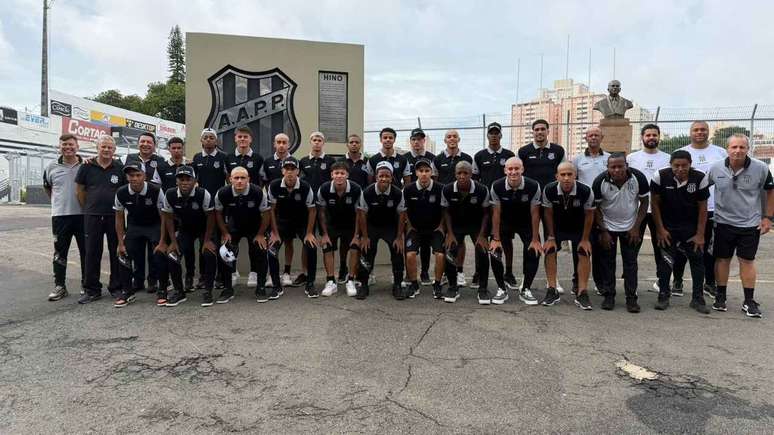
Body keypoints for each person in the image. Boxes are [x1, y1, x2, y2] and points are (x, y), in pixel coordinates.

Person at [705, 134, 774, 318]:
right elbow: (702, 189)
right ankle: (720, 296)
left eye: (742, 147)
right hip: (722, 223)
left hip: (750, 225)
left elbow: (770, 190)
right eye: (734, 147)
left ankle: (749, 301)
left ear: (748, 149)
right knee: (722, 259)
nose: (738, 151)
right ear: (727, 149)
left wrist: (768, 218)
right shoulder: (716, 168)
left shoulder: (761, 168)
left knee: (747, 261)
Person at [650, 151, 711, 314]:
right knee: (666, 261)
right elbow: (654, 204)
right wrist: (660, 229)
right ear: (671, 164)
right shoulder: (660, 176)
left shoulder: (700, 177)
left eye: (684, 165)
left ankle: (697, 298)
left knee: (697, 261)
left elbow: (703, 208)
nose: (680, 168)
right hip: (668, 227)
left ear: (690, 164)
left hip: (690, 228)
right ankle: (663, 295)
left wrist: (700, 234)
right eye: (676, 165)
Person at [675, 121, 728, 298]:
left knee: (708, 249)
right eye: (696, 130)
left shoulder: (720, 152)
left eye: (703, 129)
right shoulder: (682, 152)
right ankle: (677, 281)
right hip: (688, 209)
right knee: (682, 247)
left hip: (713, 207)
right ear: (690, 132)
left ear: (708, 132)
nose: (700, 132)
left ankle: (709, 283)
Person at [592, 153, 649, 312]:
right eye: (613, 167)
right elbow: (595, 208)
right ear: (608, 168)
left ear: (626, 165)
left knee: (630, 264)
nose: (617, 170)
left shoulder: (638, 178)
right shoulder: (599, 182)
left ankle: (631, 299)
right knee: (608, 263)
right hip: (608, 228)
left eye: (620, 166)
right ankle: (609, 296)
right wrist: (603, 231)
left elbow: (644, 202)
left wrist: (636, 227)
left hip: (630, 228)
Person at [157, 166, 219, 307]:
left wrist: (207, 240)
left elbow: (211, 217)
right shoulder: (170, 194)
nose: (184, 182)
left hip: (205, 229)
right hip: (185, 230)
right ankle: (179, 292)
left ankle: (208, 290)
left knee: (209, 254)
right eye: (181, 179)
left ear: (195, 181)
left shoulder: (203, 194)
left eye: (188, 179)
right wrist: (173, 241)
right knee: (173, 255)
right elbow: (168, 218)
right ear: (176, 181)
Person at [75, 135, 126, 304]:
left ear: (114, 150)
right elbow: (80, 191)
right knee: (92, 252)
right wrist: (88, 208)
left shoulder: (119, 168)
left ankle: (116, 287)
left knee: (116, 251)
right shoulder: (86, 167)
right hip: (92, 216)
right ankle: (92, 289)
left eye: (109, 147)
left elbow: (124, 191)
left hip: (114, 216)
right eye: (103, 147)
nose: (106, 150)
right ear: (97, 148)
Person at [214, 166, 276, 303]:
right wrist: (224, 233)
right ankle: (228, 289)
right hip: (233, 226)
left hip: (254, 227)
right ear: (230, 179)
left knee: (260, 249)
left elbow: (266, 215)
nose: (240, 181)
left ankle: (260, 288)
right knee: (225, 252)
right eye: (236, 178)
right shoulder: (222, 193)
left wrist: (260, 234)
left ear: (248, 179)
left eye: (243, 178)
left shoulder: (258, 192)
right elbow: (217, 214)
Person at [541, 162, 595, 310]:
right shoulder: (549, 189)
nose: (566, 178)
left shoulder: (585, 191)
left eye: (569, 174)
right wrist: (551, 237)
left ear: (575, 175)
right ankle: (552, 289)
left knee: (584, 251)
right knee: (550, 250)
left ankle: (582, 292)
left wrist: (585, 239)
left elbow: (590, 215)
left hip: (578, 227)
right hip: (557, 227)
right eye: (562, 175)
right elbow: (547, 213)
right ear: (557, 176)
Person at [488, 157, 542, 305]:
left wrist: (536, 239)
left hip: (526, 223)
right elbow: (496, 213)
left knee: (534, 250)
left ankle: (525, 289)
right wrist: (496, 238)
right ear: (505, 170)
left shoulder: (533, 185)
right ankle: (501, 289)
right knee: (494, 250)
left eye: (516, 168)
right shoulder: (497, 186)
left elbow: (535, 213)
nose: (513, 172)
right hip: (505, 223)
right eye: (510, 169)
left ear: (522, 169)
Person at [626, 124, 671, 294]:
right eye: (648, 135)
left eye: (654, 135)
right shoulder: (631, 158)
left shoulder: (668, 158)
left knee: (661, 246)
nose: (651, 137)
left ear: (659, 137)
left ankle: (662, 281)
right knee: (632, 245)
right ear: (642, 137)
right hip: (637, 209)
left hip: (660, 209)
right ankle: (631, 284)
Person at [113, 163, 165, 308]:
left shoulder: (156, 190)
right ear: (127, 177)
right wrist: (121, 243)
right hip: (135, 226)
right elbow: (119, 218)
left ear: (144, 176)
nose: (134, 178)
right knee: (123, 254)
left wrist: (163, 240)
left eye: (138, 175)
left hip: (154, 225)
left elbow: (164, 216)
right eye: (131, 175)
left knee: (159, 253)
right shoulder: (121, 192)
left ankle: (162, 290)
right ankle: (127, 291)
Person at [403, 158, 455, 300]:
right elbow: (404, 210)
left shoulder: (440, 188)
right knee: (409, 254)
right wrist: (408, 225)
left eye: (427, 171)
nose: (424, 174)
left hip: (434, 229)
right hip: (415, 229)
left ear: (431, 172)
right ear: (416, 173)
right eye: (421, 171)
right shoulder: (408, 189)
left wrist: (441, 226)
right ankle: (414, 285)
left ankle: (437, 284)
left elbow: (445, 210)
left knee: (440, 255)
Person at [473, 122, 516, 289]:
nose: (494, 136)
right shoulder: (479, 155)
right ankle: (478, 272)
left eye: (496, 133)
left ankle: (509, 272)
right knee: (481, 238)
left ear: (501, 135)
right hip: (485, 205)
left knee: (505, 240)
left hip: (505, 206)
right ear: (487, 136)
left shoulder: (510, 154)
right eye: (491, 133)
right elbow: (475, 180)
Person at [441, 161, 491, 304]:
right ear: (455, 174)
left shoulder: (482, 189)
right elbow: (446, 213)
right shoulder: (447, 189)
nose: (462, 176)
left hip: (476, 226)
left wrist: (482, 236)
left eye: (465, 173)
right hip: (456, 225)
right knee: (450, 250)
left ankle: (483, 289)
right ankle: (452, 286)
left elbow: (486, 213)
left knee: (482, 250)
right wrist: (449, 233)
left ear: (471, 174)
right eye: (459, 173)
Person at [267, 157, 318, 297]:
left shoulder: (305, 186)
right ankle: (277, 286)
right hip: (282, 223)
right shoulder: (274, 185)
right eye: (287, 169)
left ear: (298, 171)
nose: (290, 172)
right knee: (271, 250)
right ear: (282, 171)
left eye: (293, 169)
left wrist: (309, 233)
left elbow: (312, 210)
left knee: (311, 246)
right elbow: (271, 210)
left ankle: (310, 284)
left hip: (301, 223)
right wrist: (274, 233)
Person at [356, 161, 407, 300]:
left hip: (390, 227)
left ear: (391, 177)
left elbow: (402, 215)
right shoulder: (367, 192)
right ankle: (364, 284)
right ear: (376, 177)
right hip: (372, 226)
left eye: (387, 176)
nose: (384, 178)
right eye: (381, 176)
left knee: (397, 250)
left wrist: (399, 237)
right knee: (367, 251)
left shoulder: (397, 193)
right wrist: (364, 236)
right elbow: (362, 215)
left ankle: (397, 285)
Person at [43, 133, 85, 301]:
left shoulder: (86, 165)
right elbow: (48, 188)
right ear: (59, 147)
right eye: (64, 145)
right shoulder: (51, 166)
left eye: (71, 145)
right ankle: (60, 286)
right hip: (60, 217)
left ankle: (86, 284)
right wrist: (58, 203)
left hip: (83, 216)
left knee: (86, 251)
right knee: (60, 253)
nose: (68, 148)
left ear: (77, 147)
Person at [121, 132, 164, 293]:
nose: (145, 144)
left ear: (154, 145)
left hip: (154, 214)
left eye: (149, 142)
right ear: (138, 143)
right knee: (136, 251)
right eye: (142, 141)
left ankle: (152, 281)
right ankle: (137, 281)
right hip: (134, 214)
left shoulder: (160, 161)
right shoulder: (127, 159)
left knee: (154, 252)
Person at [225, 126, 265, 289]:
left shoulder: (258, 158)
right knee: (232, 244)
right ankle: (233, 272)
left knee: (253, 245)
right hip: (234, 209)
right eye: (240, 137)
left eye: (245, 137)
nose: (242, 139)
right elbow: (227, 179)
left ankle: (254, 273)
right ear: (235, 139)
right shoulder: (228, 158)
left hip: (252, 209)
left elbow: (262, 180)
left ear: (250, 139)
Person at [434, 129, 474, 288]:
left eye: (454, 136)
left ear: (459, 139)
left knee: (460, 239)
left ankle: (459, 271)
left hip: (462, 205)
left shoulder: (467, 158)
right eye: (449, 137)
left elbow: (472, 180)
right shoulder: (438, 159)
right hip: (445, 205)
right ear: (445, 140)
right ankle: (445, 273)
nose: (452, 139)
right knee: (445, 240)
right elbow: (435, 181)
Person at [297, 132, 337, 287]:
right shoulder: (303, 161)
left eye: (319, 140)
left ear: (323, 142)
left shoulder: (330, 161)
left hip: (326, 207)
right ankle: (305, 273)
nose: (317, 142)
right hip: (308, 207)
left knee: (327, 239)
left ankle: (330, 277)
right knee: (309, 239)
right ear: (310, 142)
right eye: (314, 140)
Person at [317, 161, 362, 297]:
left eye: (342, 173)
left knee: (354, 248)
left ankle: (351, 280)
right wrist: (324, 234)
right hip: (332, 225)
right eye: (336, 173)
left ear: (347, 175)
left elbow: (360, 214)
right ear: (332, 175)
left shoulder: (355, 189)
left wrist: (356, 235)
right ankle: (331, 281)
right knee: (327, 247)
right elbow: (321, 213)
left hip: (350, 225)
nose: (339, 176)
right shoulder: (324, 188)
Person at [572, 126, 609, 294]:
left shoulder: (609, 158)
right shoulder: (577, 160)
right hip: (582, 209)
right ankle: (577, 280)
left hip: (603, 207)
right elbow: (573, 181)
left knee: (601, 247)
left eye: (596, 135)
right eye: (590, 135)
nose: (593, 137)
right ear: (585, 138)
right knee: (579, 245)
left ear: (602, 138)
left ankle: (600, 282)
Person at [192, 128, 229, 290]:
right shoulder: (197, 158)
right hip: (203, 208)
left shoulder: (223, 157)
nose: (208, 140)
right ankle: (204, 276)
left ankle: (221, 276)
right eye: (205, 137)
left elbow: (229, 179)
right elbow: (194, 180)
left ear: (216, 141)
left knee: (221, 241)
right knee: (205, 241)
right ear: (201, 141)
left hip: (220, 206)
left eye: (211, 137)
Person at [261, 133, 295, 288]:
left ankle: (287, 273)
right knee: (272, 242)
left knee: (288, 241)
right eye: (278, 142)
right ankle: (270, 274)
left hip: (290, 210)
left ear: (288, 144)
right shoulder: (267, 162)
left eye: (284, 142)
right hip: (273, 210)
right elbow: (262, 181)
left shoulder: (295, 162)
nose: (281, 145)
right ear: (274, 144)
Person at [404, 129, 437, 286]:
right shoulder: (405, 158)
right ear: (410, 141)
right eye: (414, 139)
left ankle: (424, 272)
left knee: (426, 245)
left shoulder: (432, 158)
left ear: (424, 141)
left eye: (419, 139)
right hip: (412, 202)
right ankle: (409, 274)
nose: (416, 142)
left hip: (429, 204)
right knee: (410, 245)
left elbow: (435, 180)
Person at [338, 133, 369, 282]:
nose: (354, 144)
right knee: (345, 242)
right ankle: (343, 267)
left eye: (357, 142)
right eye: (351, 142)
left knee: (361, 240)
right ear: (347, 144)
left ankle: (359, 270)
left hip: (361, 208)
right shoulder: (341, 162)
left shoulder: (367, 162)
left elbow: (370, 182)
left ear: (360, 144)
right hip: (344, 208)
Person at [518, 119, 566, 189]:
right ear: (533, 133)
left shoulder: (559, 150)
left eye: (543, 129)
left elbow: (564, 171)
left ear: (548, 132)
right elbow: (517, 172)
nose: (540, 132)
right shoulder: (523, 151)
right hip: (530, 191)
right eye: (537, 130)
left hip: (551, 191)